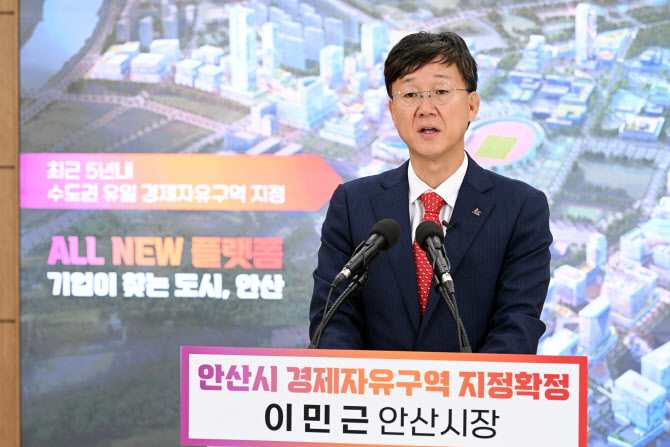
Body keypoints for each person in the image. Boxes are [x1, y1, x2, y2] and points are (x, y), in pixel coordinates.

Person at [309, 31, 552, 354]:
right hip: (375, 387)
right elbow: (332, 319)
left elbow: (517, 324)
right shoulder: (353, 204)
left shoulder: (521, 208)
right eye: (410, 94)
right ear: (392, 111)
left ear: (472, 105)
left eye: (441, 92)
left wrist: (456, 386)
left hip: (474, 387)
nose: (426, 109)